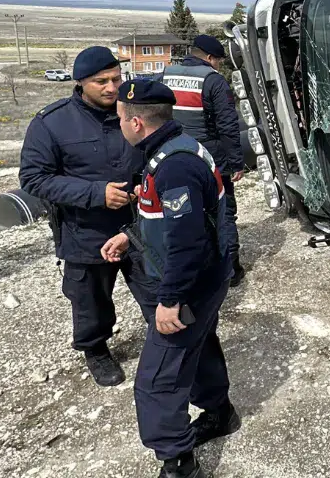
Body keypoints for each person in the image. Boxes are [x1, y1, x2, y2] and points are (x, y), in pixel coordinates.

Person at [101, 79, 241, 478]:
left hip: (192, 282)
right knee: (198, 345)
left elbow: (187, 241)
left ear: (135, 122)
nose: (120, 126)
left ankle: (178, 463)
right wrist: (131, 236)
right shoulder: (172, 148)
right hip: (206, 276)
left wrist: (170, 300)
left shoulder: (175, 164)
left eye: (120, 119)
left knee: (157, 379)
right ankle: (219, 414)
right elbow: (170, 220)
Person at [19, 46, 157, 386]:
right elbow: (34, 178)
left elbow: (154, 153)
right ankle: (95, 349)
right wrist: (96, 194)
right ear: (81, 82)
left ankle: (165, 342)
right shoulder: (52, 123)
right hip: (86, 232)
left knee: (157, 288)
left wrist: (145, 185)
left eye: (116, 79)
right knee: (90, 301)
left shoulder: (133, 111)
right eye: (101, 82)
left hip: (138, 225)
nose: (112, 88)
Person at [158, 34, 246, 286]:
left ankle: (190, 269)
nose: (218, 65)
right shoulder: (213, 81)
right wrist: (235, 163)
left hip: (174, 156)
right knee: (223, 213)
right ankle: (231, 271)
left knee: (182, 214)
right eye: (217, 60)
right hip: (211, 159)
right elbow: (228, 126)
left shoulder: (166, 75)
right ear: (209, 58)